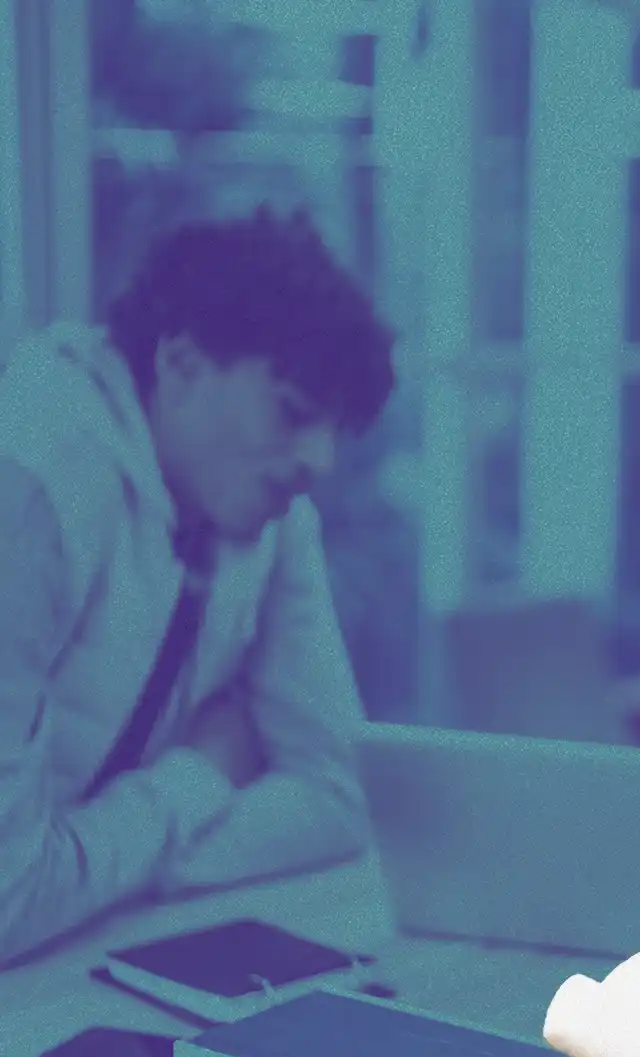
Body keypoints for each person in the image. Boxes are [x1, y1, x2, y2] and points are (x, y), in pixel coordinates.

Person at [0, 207, 395, 965]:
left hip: (70, 957)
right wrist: (201, 774)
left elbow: (338, 798)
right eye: (292, 411)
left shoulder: (270, 509)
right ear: (179, 363)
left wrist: (92, 866)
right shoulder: (30, 493)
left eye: (333, 431)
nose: (319, 460)